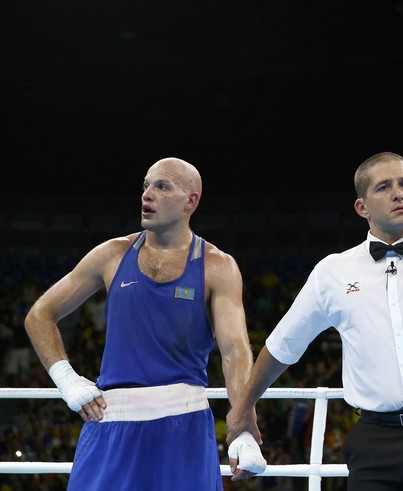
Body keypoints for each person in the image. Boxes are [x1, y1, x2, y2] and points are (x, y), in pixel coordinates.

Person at [225, 41, 403, 490]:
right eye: (385, 187)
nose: (399, 192)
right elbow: (282, 347)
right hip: (376, 443)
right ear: (362, 207)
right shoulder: (333, 272)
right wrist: (243, 408)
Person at [23, 157, 265, 490]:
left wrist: (242, 424)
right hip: (110, 420)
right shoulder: (112, 254)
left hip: (184, 423)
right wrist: (67, 380)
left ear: (190, 201)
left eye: (161, 186)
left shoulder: (216, 266)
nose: (146, 195)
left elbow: (234, 349)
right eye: (145, 186)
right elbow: (40, 313)